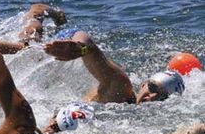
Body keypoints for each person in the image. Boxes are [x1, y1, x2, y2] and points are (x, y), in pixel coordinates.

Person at [43, 31, 185, 105]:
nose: (152, 97)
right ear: (143, 84)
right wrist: (81, 48)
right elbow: (85, 38)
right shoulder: (121, 89)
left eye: (162, 96)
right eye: (153, 88)